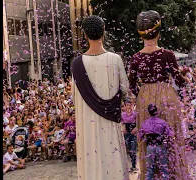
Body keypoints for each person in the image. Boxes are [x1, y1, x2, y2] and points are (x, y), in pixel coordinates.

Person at [129, 10, 189, 180]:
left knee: (148, 140)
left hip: (144, 97)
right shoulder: (168, 55)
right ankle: (173, 175)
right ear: (159, 32)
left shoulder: (135, 58)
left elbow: (132, 85)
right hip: (166, 96)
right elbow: (179, 80)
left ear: (141, 35)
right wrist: (185, 77)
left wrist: (143, 95)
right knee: (171, 139)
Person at [71, 15, 129, 180]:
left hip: (87, 122)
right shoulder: (115, 59)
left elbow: (74, 96)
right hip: (110, 120)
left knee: (91, 159)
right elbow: (125, 88)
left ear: (85, 35)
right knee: (113, 158)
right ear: (104, 31)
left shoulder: (76, 64)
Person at [138, 104, 174, 180]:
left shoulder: (145, 123)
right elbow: (170, 134)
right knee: (164, 168)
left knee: (150, 170)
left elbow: (139, 136)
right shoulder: (162, 122)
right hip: (160, 146)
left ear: (149, 112)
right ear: (156, 111)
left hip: (150, 147)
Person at [121, 101, 138, 172]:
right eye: (127, 105)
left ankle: (134, 165)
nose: (129, 107)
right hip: (126, 133)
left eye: (130, 105)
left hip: (133, 133)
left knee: (133, 150)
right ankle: (126, 166)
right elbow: (121, 122)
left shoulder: (135, 114)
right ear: (125, 106)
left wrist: (136, 128)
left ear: (132, 106)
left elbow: (138, 122)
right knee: (127, 148)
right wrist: (123, 127)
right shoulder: (123, 114)